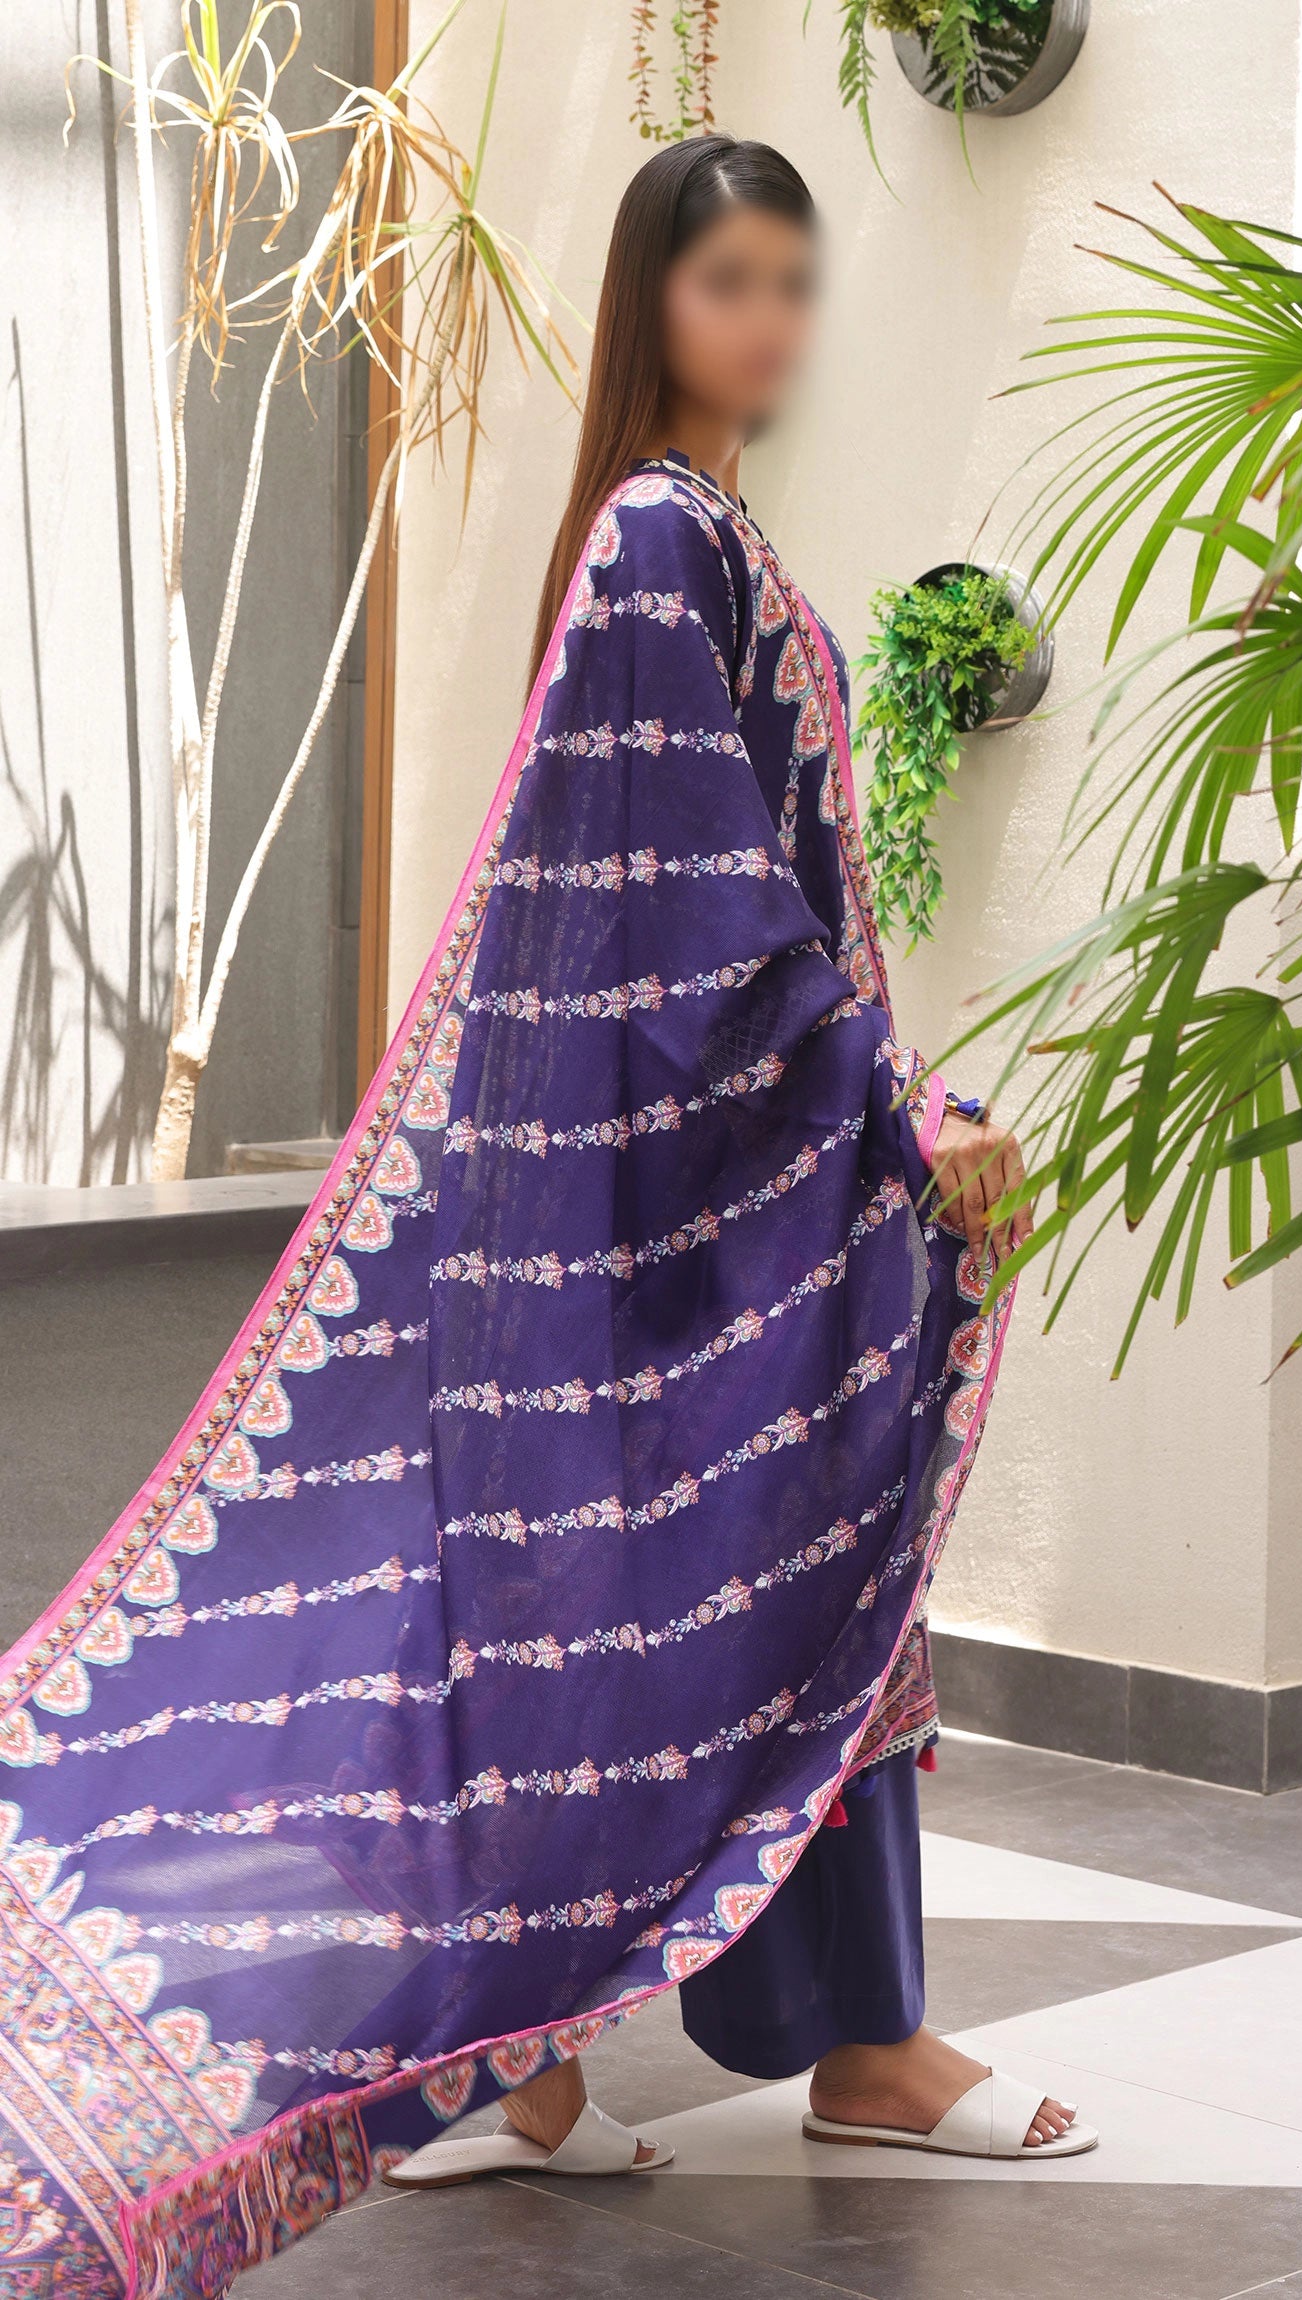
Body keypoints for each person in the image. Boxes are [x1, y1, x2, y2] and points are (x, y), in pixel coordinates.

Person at [0, 136, 1091, 2299]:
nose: (768, 322)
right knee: (725, 1584)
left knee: (657, 1610)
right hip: (664, 1204)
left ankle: (569, 2076)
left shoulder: (695, 535)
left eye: (793, 283)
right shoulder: (659, 540)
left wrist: (870, 1096)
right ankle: (832, 2050)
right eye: (726, 282)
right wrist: (895, 1097)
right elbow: (706, 920)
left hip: (680, 1189)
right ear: (648, 300)